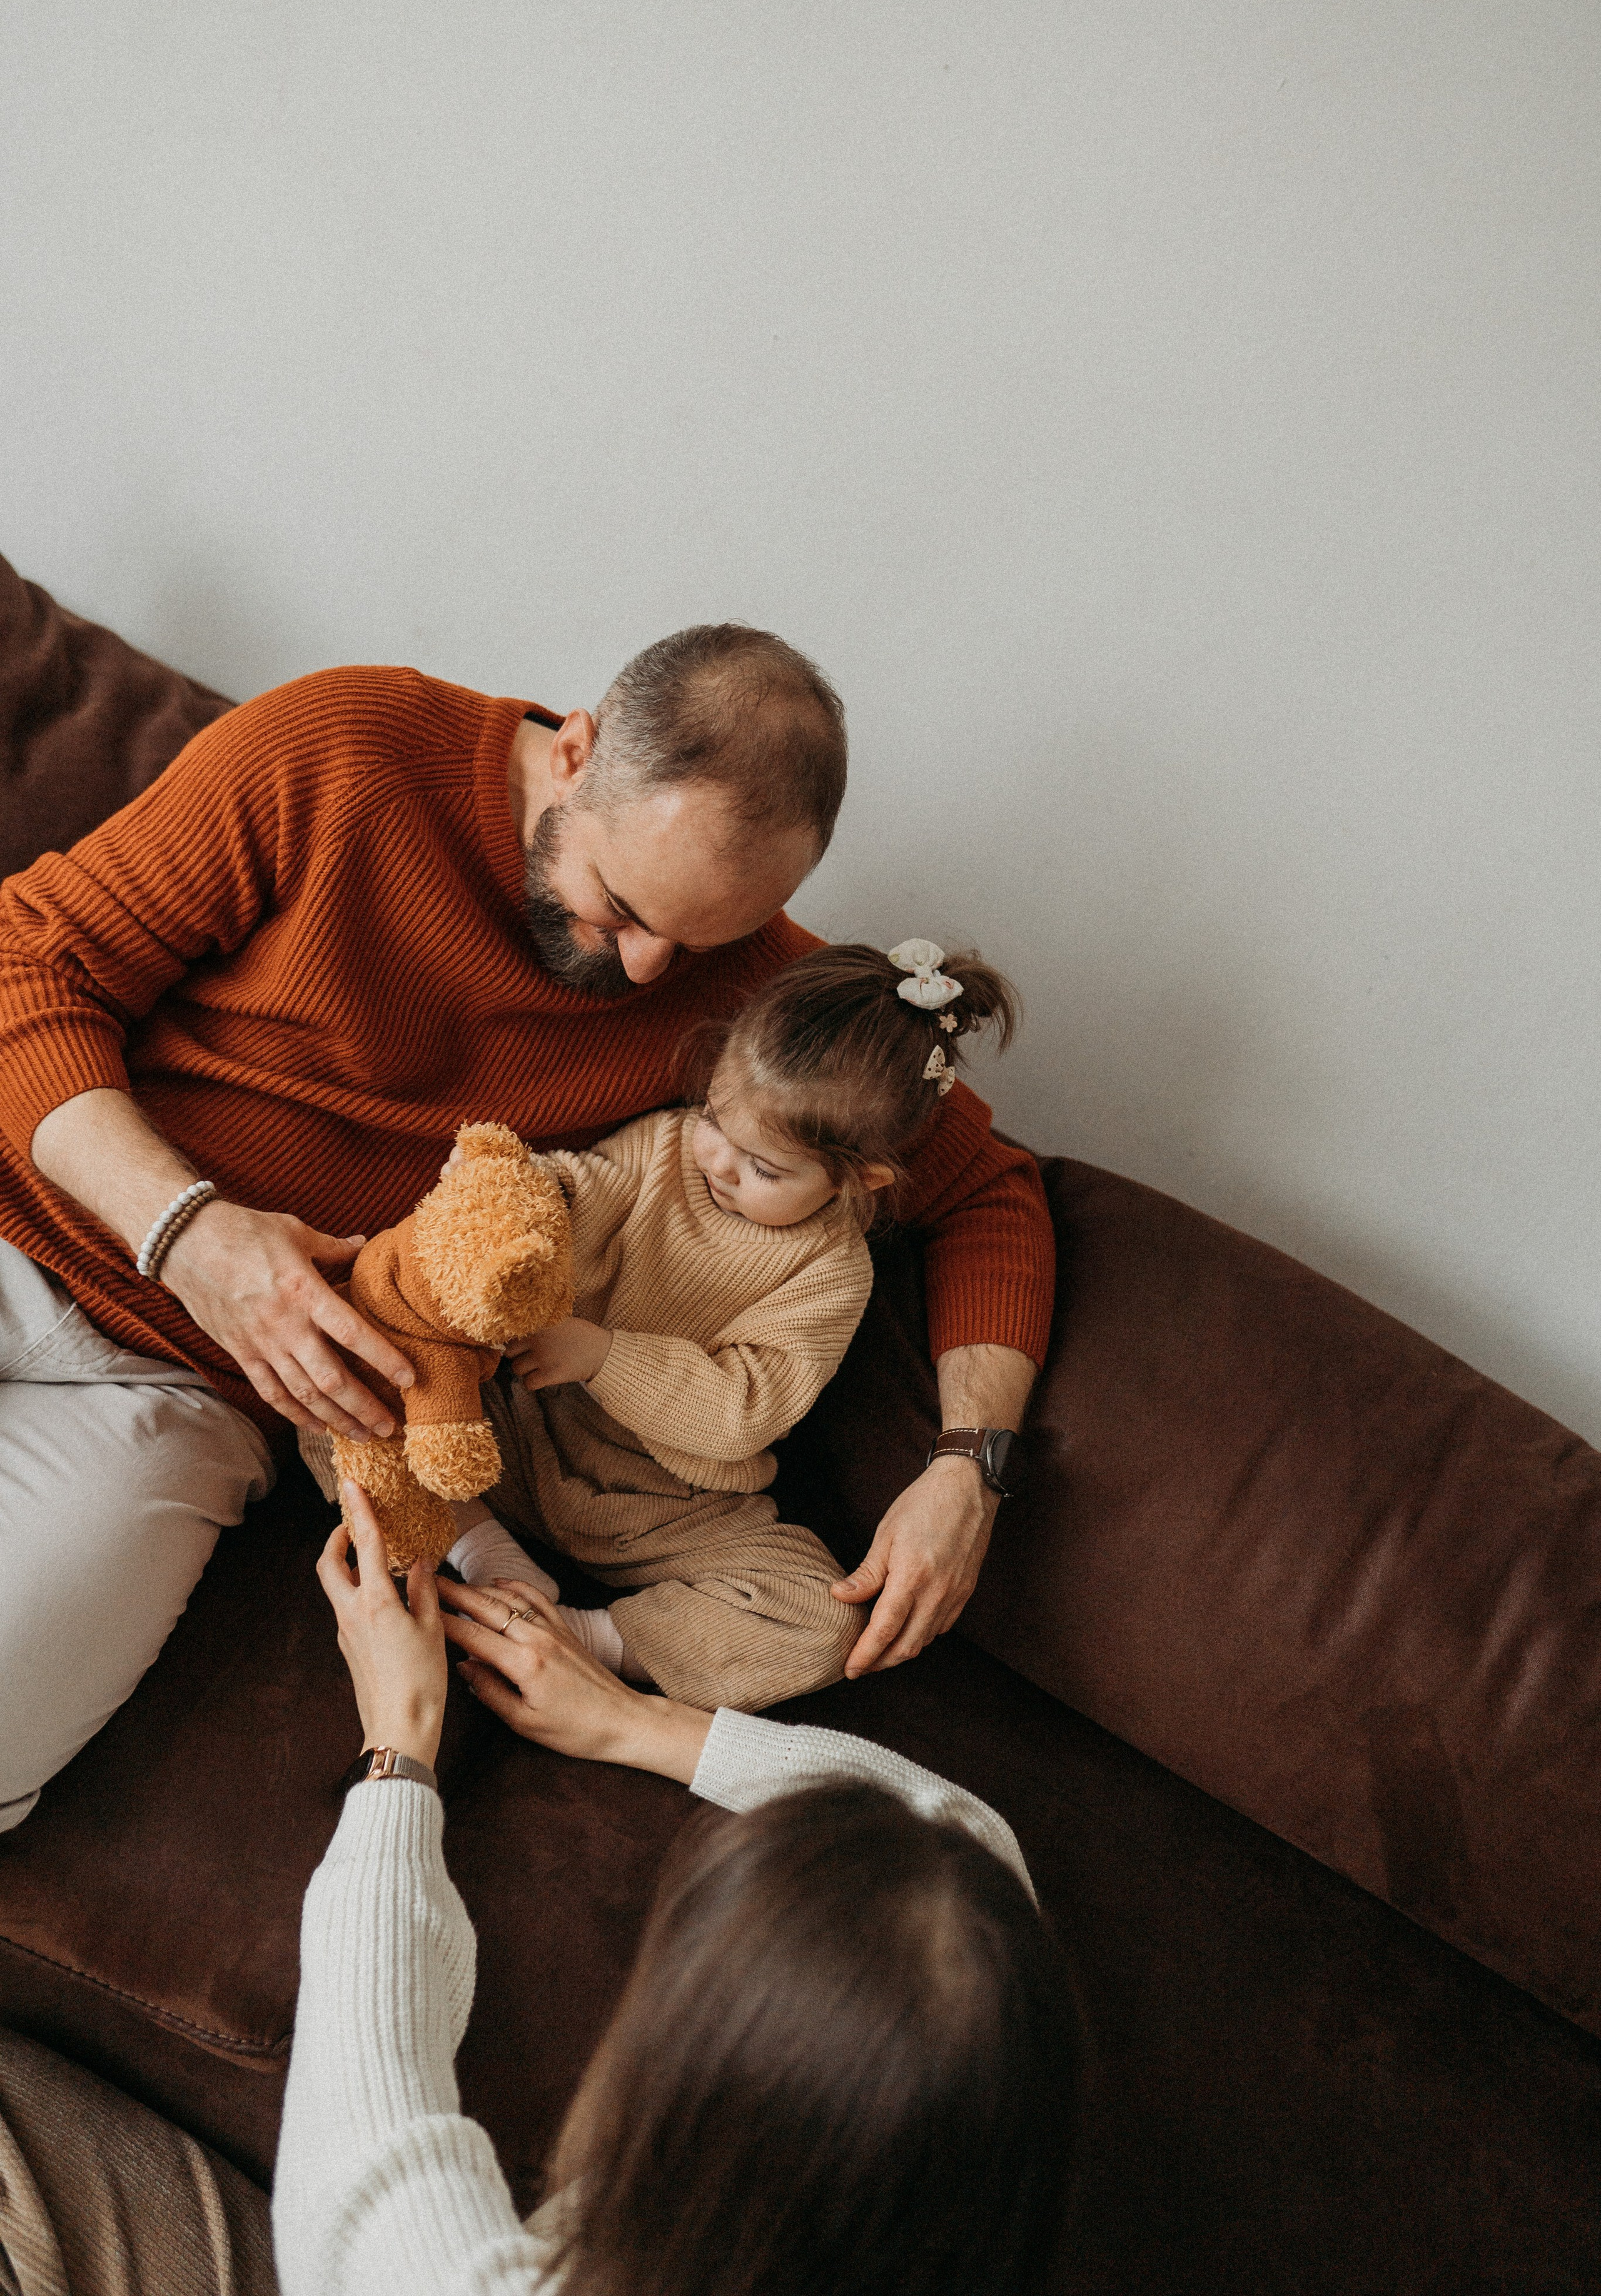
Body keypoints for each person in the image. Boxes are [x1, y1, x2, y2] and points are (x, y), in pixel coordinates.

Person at [0, 625, 1054, 1830]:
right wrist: (190, 1235)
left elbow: (992, 1192)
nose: (652, 969)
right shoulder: (343, 748)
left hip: (196, 1395)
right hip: (29, 1207)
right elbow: (26, 965)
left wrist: (970, 1467)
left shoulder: (743, 987)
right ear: (577, 754)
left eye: (702, 942)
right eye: (620, 905)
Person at [271, 1479, 1083, 2296]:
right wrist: (628, 1719)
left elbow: (358, 2146)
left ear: (684, 2092)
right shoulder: (970, 2164)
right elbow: (965, 1836)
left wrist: (398, 1735)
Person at [325, 938, 1021, 1715]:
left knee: (822, 1619)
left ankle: (582, 1637)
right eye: (716, 1120)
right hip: (513, 1432)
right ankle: (484, 1548)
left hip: (660, 1501)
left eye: (765, 1168)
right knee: (340, 1380)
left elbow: (747, 1409)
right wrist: (514, 1199)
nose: (720, 1162)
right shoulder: (666, 1149)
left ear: (861, 1180)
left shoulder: (830, 1274)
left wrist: (603, 1356)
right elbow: (586, 1191)